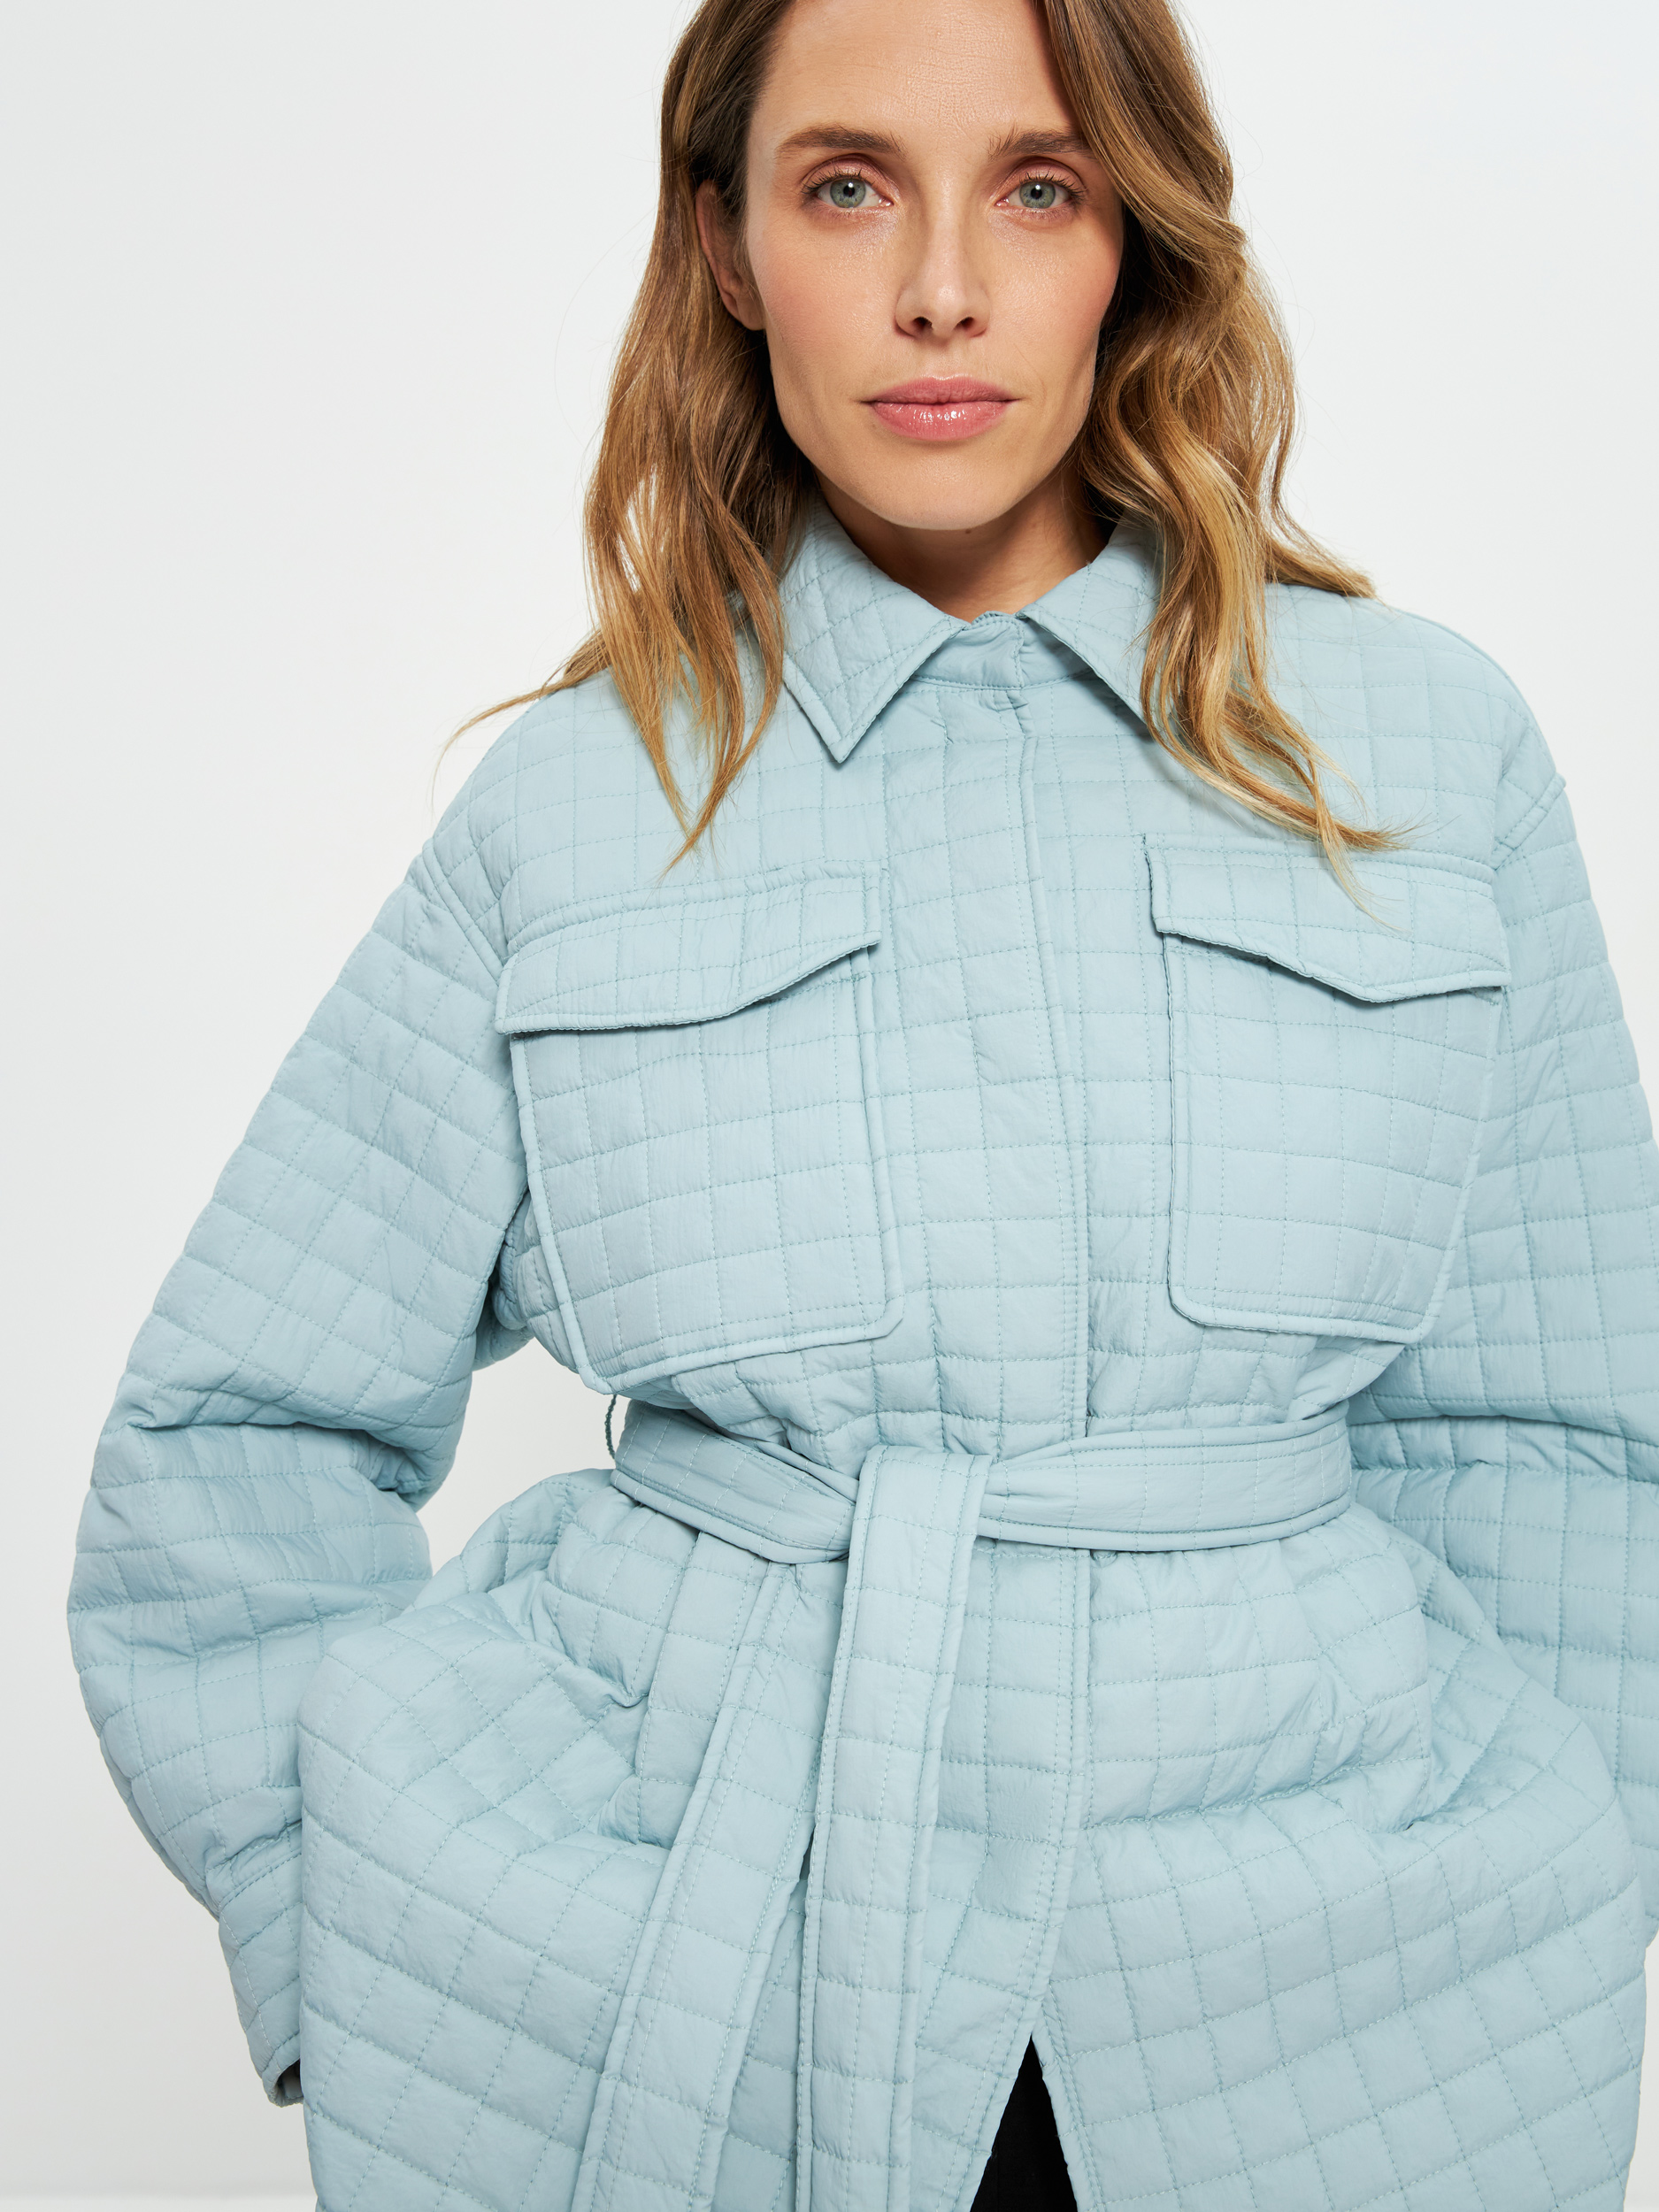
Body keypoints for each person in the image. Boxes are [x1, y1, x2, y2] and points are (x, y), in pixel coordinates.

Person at [69, 0, 1659, 2203]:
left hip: (1341, 2011)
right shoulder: (577, 808)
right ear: (726, 247)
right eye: (844, 187)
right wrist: (337, 1928)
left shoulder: (1416, 753)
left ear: (1133, 241)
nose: (939, 287)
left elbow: (1573, 1433)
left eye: (1036, 186)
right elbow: (234, 1447)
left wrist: (1567, 1888)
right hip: (680, 2000)